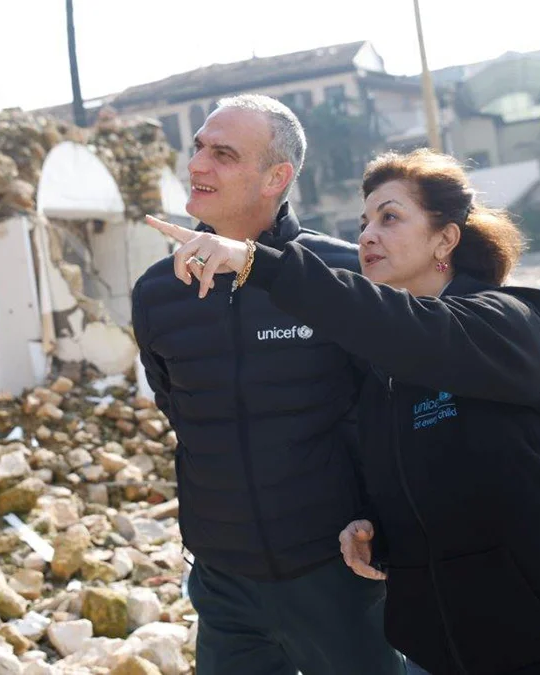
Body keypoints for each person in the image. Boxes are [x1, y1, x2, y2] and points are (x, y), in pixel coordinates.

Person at [146, 148, 540, 675]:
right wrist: (376, 526)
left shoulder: (504, 324)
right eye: (363, 223)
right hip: (445, 656)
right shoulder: (385, 373)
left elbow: (397, 326)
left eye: (390, 217)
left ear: (445, 238)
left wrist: (254, 261)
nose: (366, 236)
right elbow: (429, 481)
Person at [130, 94, 406, 675]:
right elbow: (180, 411)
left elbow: (392, 416)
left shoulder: (342, 275)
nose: (197, 165)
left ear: (275, 177)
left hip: (338, 575)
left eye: (223, 154)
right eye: (199, 147)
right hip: (223, 584)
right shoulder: (158, 291)